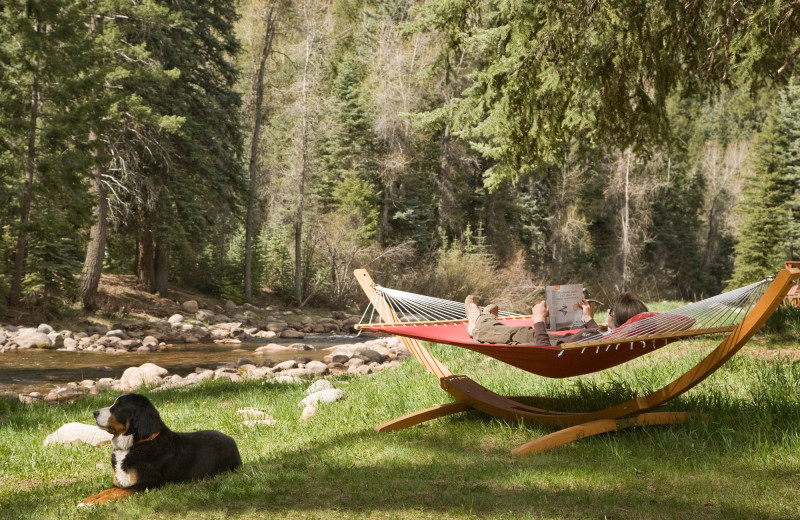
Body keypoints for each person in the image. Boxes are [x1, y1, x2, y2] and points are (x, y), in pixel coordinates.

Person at [465, 292, 648, 346]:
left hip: (544, 345)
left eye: (611, 311)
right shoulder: (616, 339)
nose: (609, 312)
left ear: (614, 317)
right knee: (515, 332)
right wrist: (587, 318)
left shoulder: (591, 340)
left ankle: (479, 324)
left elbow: (546, 353)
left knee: (514, 332)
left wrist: (538, 320)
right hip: (559, 343)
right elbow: (595, 334)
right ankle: (488, 320)